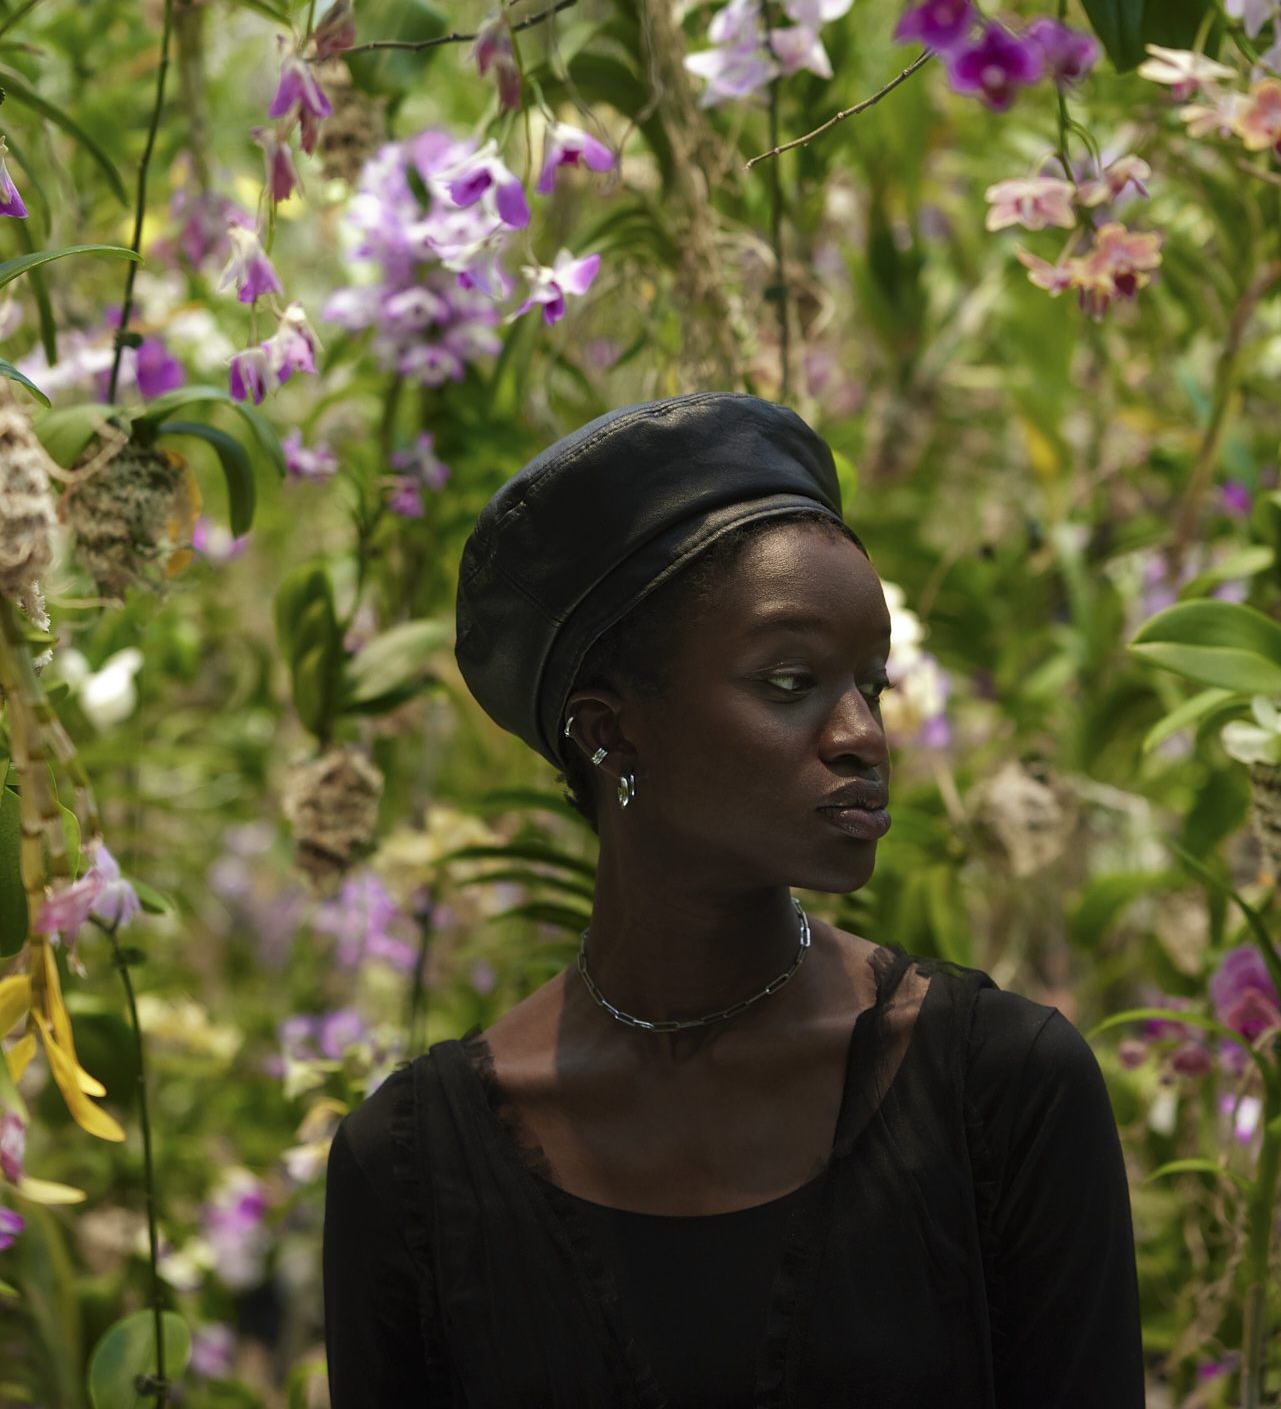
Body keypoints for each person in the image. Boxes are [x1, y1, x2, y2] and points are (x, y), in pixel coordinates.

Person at [323, 392, 1145, 1408]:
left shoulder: (1000, 1090)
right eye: (793, 680)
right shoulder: (410, 1171)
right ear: (610, 732)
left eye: (872, 684)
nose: (863, 734)